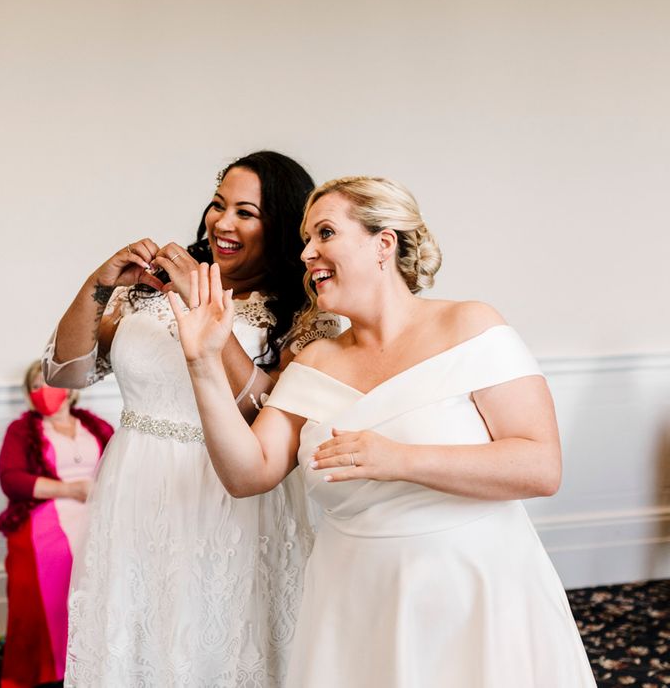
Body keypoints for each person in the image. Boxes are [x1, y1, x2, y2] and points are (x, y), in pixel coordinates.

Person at [169, 176, 597, 687]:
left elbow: (540, 466)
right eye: (307, 239)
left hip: (475, 591)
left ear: (383, 243)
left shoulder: (471, 327)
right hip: (354, 600)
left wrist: (399, 459)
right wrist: (202, 362)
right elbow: (248, 473)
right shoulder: (314, 362)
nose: (307, 253)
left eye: (325, 233)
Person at [41, 151, 340, 687]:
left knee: (217, 642)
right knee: (137, 638)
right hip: (135, 490)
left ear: (281, 226)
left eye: (246, 213)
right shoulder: (149, 291)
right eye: (218, 205)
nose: (222, 223)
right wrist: (100, 283)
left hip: (231, 500)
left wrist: (204, 310)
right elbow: (64, 373)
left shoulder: (307, 312)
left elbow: (270, 413)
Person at [0, 359, 113, 688]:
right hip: (45, 511)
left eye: (48, 382)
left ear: (71, 390)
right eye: (34, 386)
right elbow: (12, 481)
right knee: (52, 560)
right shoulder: (20, 431)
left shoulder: (97, 427)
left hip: (97, 511)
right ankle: (49, 670)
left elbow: (120, 469)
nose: (42, 392)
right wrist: (70, 489)